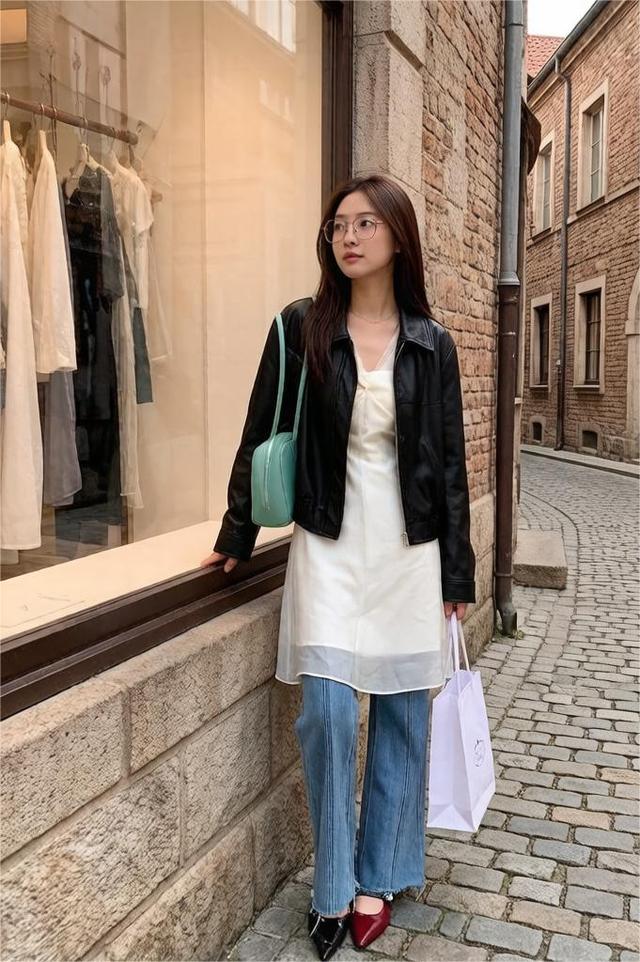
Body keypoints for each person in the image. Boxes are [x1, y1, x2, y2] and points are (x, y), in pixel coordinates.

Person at [201, 172, 475, 960]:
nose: (347, 237)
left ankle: (376, 878)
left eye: (364, 224)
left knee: (401, 716)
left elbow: (450, 466)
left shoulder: (432, 343)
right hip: (327, 545)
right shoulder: (301, 328)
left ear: (397, 236)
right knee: (325, 713)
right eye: (337, 225)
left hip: (409, 553)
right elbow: (260, 433)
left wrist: (458, 575)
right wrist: (237, 531)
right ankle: (333, 879)